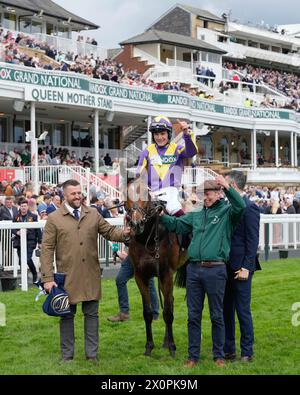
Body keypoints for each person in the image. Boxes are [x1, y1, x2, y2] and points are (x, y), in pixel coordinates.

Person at [40, 179, 131, 362]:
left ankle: (92, 355)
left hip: (90, 274)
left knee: (92, 315)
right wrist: (47, 278)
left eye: (79, 192)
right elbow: (47, 249)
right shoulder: (54, 218)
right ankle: (67, 356)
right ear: (64, 196)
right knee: (66, 316)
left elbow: (110, 232)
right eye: (73, 193)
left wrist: (127, 233)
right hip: (67, 278)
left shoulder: (93, 214)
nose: (77, 196)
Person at [160, 176, 245, 367]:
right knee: (193, 316)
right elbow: (176, 225)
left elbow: (240, 206)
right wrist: (160, 216)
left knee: (216, 314)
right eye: (202, 194)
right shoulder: (197, 213)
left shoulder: (227, 212)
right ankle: (193, 357)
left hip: (216, 269)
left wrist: (227, 186)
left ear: (217, 194)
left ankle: (219, 356)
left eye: (207, 194)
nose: (204, 198)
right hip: (194, 270)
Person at [223, 170, 261, 362]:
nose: (223, 190)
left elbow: (252, 241)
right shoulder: (227, 207)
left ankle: (247, 351)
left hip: (242, 267)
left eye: (225, 186)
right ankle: (229, 349)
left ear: (233, 186)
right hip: (225, 267)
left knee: (242, 310)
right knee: (226, 309)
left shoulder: (250, 207)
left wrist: (246, 267)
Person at [137, 115, 198, 217]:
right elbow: (140, 173)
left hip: (172, 192)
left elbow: (192, 152)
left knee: (173, 208)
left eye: (162, 133)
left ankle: (185, 228)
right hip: (152, 193)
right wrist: (146, 189)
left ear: (168, 134)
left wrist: (186, 134)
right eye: (156, 134)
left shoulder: (177, 149)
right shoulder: (147, 151)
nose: (159, 137)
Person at [107, 249, 159, 322]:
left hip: (146, 255)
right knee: (120, 279)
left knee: (149, 283)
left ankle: (154, 314)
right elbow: (125, 238)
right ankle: (124, 314)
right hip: (132, 255)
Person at [12, 199, 42, 283]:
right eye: (22, 206)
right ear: (20, 207)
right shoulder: (16, 216)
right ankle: (24, 278)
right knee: (21, 260)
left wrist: (40, 241)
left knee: (27, 259)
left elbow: (37, 229)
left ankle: (34, 274)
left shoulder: (33, 216)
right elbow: (12, 228)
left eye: (25, 206)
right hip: (19, 241)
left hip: (30, 240)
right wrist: (17, 232)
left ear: (27, 207)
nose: (23, 208)